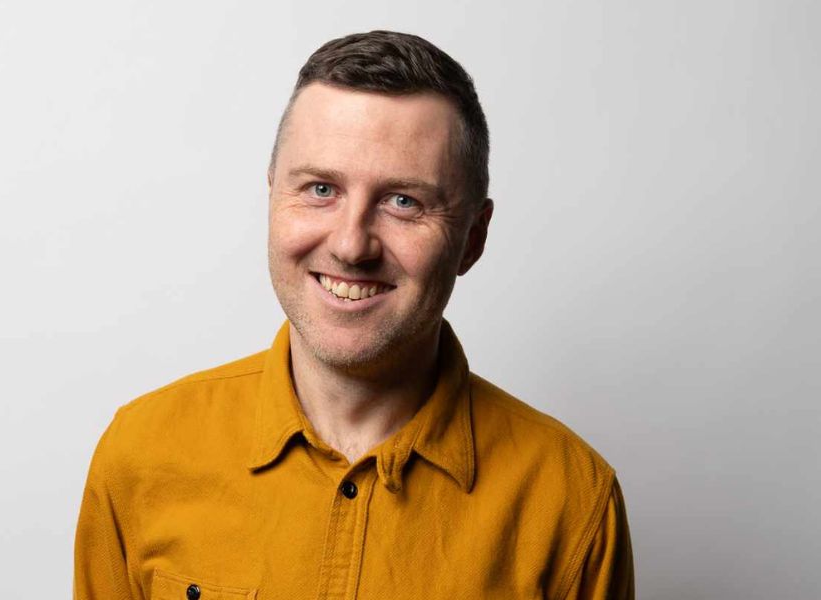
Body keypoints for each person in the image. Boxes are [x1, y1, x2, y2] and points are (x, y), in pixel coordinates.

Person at [74, 30, 634, 599]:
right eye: (321, 188)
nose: (351, 245)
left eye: (403, 202)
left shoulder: (572, 501)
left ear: (473, 238)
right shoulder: (141, 454)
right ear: (273, 198)